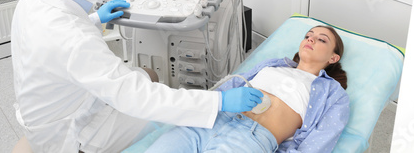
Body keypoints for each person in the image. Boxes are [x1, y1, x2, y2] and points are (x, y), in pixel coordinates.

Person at [10, 0, 263, 153]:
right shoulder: (76, 40)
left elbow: (56, 44)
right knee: (169, 121)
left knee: (149, 75)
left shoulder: (32, 0)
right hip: (71, 134)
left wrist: (96, 19)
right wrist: (217, 101)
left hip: (58, 105)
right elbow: (138, 97)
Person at [144, 25, 350, 153]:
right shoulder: (273, 64)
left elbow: (322, 139)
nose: (310, 39)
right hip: (210, 122)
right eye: (308, 35)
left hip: (250, 139)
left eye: (321, 39)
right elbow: (229, 88)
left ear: (333, 58)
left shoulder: (333, 93)